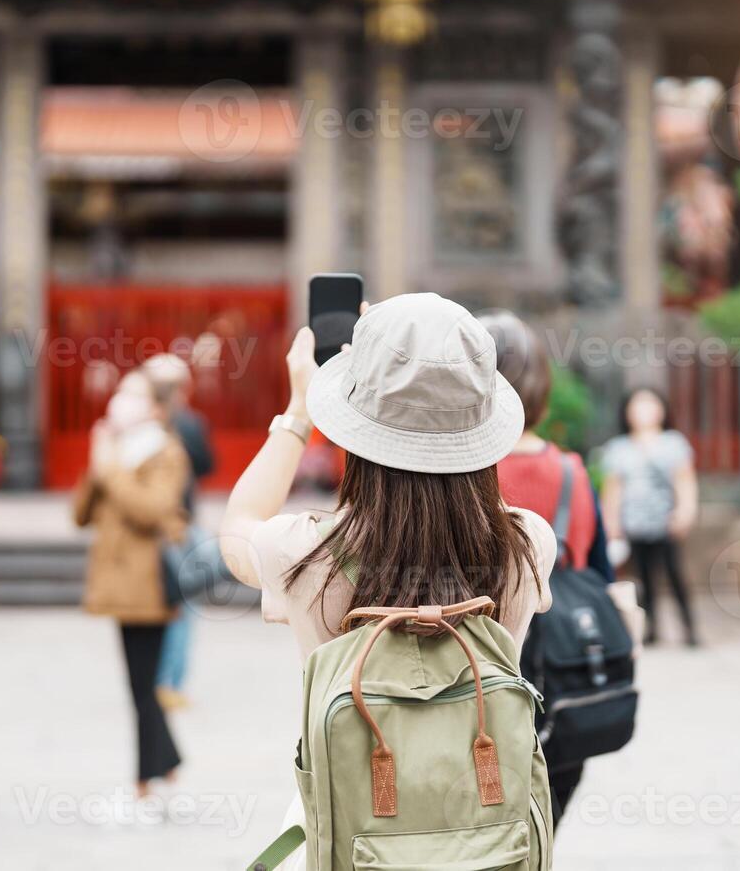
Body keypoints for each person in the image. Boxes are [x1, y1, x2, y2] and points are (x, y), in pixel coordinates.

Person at [220, 293, 557, 866]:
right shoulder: (526, 544)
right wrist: (436, 392)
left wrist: (301, 409)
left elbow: (236, 530)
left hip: (355, 839)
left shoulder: (306, 553)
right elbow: (468, 484)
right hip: (490, 847)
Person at [479, 311, 614, 822]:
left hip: (473, 696)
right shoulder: (571, 471)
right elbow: (600, 576)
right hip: (562, 695)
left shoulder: (454, 475)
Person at [75, 369, 190, 798]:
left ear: (156, 408)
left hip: (149, 584)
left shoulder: (166, 451)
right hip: (118, 583)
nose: (121, 399)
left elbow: (152, 509)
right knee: (139, 684)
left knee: (143, 685)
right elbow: (80, 515)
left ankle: (148, 778)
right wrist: (97, 462)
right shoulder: (115, 450)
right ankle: (166, 765)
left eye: (134, 394)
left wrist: (109, 469)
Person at [141, 353, 215, 710]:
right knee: (183, 606)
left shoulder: (139, 427)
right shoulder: (190, 423)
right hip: (180, 525)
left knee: (159, 605)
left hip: (148, 529)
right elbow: (206, 464)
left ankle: (154, 678)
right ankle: (172, 682)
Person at [601, 387, 699, 647]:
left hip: (666, 522)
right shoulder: (618, 448)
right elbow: (613, 489)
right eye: (637, 405)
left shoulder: (674, 444)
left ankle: (690, 628)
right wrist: (611, 523)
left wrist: (685, 511)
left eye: (649, 404)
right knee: (642, 578)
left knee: (675, 574)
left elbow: (685, 481)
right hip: (634, 524)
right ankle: (650, 629)